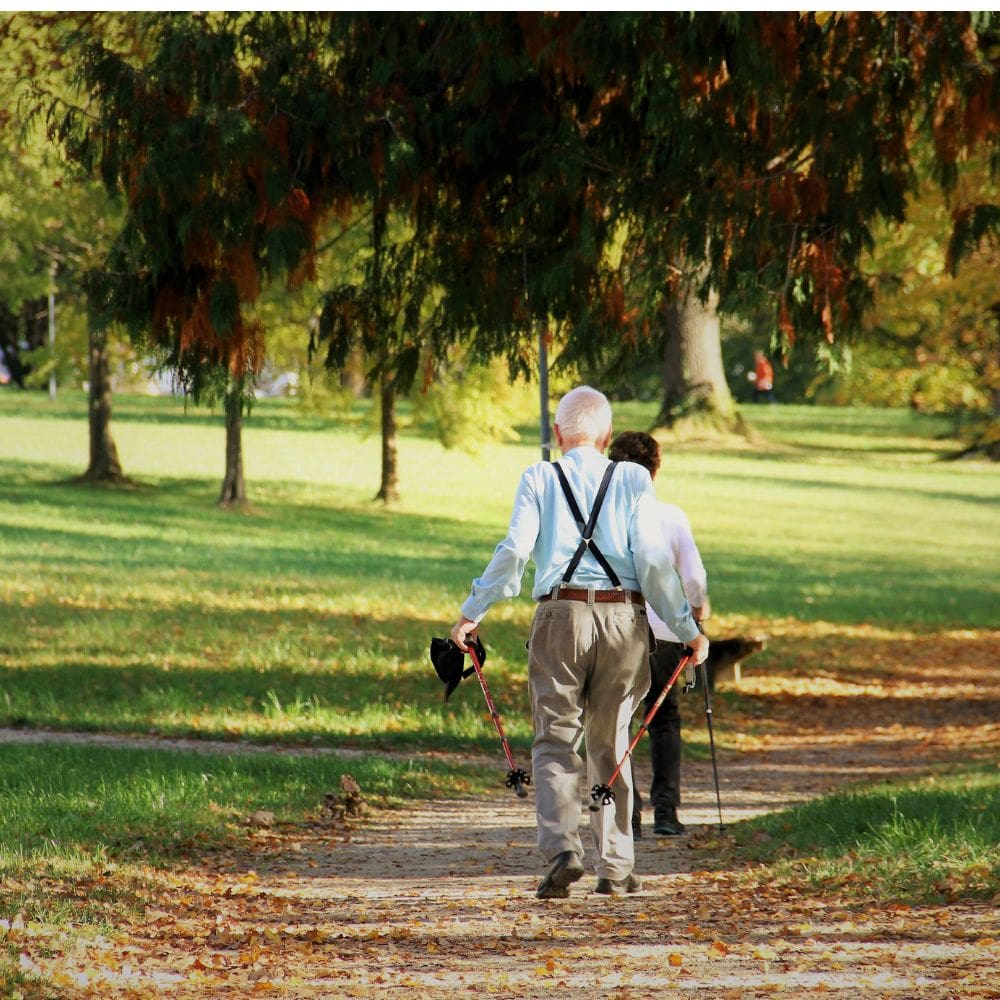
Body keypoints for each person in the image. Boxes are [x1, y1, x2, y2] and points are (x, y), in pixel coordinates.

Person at [450, 386, 709, 899]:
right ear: (607, 436)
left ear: (557, 434)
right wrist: (688, 630)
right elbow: (655, 565)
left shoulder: (539, 477)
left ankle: (563, 850)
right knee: (612, 741)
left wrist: (470, 613)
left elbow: (514, 551)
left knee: (554, 738)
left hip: (559, 616)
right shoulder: (634, 479)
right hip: (623, 619)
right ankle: (615, 866)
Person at [607, 431, 709, 840]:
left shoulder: (606, 518)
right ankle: (666, 810)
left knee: (619, 719)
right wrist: (699, 612)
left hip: (618, 628)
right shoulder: (671, 516)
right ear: (656, 469)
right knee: (664, 719)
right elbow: (694, 577)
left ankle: (627, 814)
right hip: (667, 631)